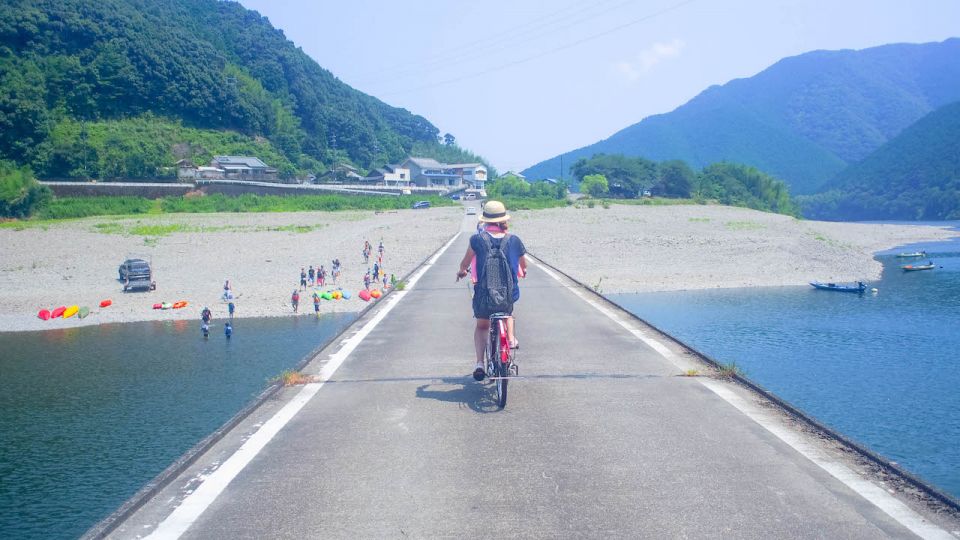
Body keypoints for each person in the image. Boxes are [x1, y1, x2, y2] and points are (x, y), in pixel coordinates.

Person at [456, 200, 527, 381]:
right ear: (503, 219)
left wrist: (462, 270)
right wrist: (522, 271)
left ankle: (480, 363)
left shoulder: (477, 240)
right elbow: (523, 265)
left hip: (484, 295)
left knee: (482, 326)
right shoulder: (514, 240)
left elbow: (465, 262)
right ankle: (510, 339)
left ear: (485, 220)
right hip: (507, 294)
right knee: (507, 312)